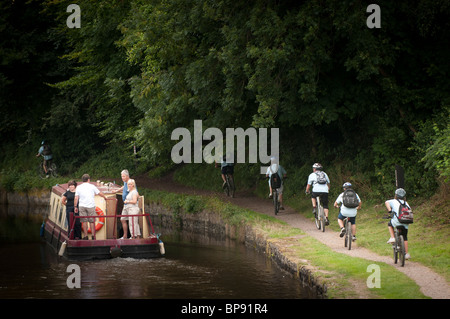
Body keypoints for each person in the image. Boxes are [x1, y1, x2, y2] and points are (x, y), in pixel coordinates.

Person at [74, 174, 107, 240]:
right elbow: (99, 193)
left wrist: (75, 206)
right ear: (88, 180)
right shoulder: (92, 186)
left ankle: (86, 236)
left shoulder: (79, 187)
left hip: (82, 206)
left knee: (84, 221)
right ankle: (93, 236)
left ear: (82, 180)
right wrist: (104, 197)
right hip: (90, 206)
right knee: (92, 221)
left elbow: (76, 198)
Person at [385, 188, 411, 259]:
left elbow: (386, 202)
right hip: (405, 223)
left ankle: (393, 237)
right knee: (405, 237)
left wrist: (390, 210)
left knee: (390, 224)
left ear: (396, 195)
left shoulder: (393, 201)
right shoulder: (406, 203)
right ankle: (406, 254)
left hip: (397, 221)